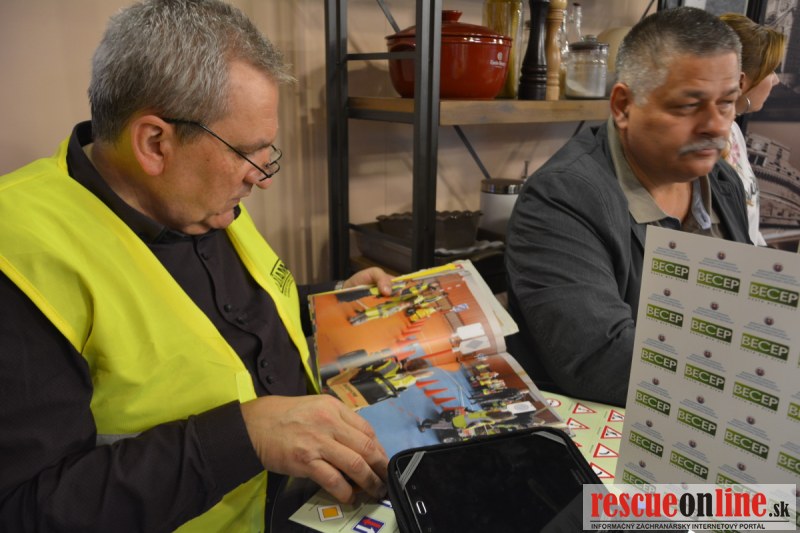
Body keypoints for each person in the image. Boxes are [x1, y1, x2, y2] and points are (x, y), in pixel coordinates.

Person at [0, 1, 396, 531]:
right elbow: (26, 511)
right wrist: (245, 437)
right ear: (154, 143)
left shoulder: (192, 197)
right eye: (248, 153)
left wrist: (326, 300)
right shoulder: (19, 257)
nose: (263, 178)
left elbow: (213, 322)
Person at [505, 7, 751, 407]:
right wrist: (756, 379)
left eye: (727, 103)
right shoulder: (561, 198)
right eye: (688, 105)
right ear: (623, 106)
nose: (717, 126)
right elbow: (601, 360)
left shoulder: (721, 183)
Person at [720, 13, 787, 247]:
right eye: (770, 71)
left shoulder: (734, 132)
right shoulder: (708, 141)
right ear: (743, 81)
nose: (776, 80)